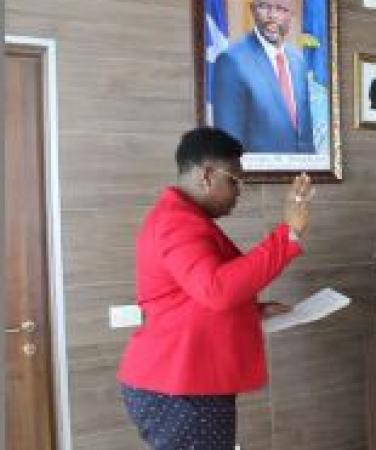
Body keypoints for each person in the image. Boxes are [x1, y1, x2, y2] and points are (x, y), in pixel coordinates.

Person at [117, 127, 314, 449]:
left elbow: (190, 293)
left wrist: (253, 310)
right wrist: (288, 234)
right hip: (178, 386)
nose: (239, 192)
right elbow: (215, 289)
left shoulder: (183, 218)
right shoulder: (176, 222)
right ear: (207, 175)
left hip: (185, 381)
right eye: (235, 181)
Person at [212, 0, 315, 154]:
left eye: (280, 8)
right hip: (259, 176)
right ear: (253, 10)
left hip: (302, 174)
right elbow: (228, 145)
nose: (272, 15)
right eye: (264, 6)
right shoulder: (231, 61)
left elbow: (305, 137)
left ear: (291, 14)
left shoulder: (298, 61)